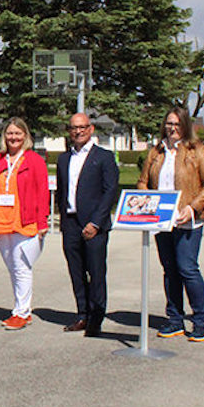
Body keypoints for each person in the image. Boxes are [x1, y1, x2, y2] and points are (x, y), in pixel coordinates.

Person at [137, 107, 204, 342]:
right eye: (169, 124)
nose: (172, 128)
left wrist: (192, 207)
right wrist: (149, 203)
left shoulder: (197, 151)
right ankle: (174, 318)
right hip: (161, 221)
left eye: (177, 124)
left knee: (187, 268)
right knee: (169, 270)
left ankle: (200, 320)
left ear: (185, 126)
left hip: (188, 220)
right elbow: (143, 182)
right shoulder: (156, 151)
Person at [0, 118, 49, 331]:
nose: (13, 137)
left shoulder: (34, 160)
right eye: (10, 133)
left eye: (18, 133)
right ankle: (21, 308)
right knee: (13, 267)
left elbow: (42, 190)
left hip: (24, 220)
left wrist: (42, 221)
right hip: (0, 220)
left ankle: (21, 312)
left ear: (25, 136)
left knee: (22, 267)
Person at [56, 113, 118, 337]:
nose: (78, 131)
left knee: (96, 272)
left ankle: (96, 317)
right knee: (76, 273)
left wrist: (96, 222)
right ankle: (82, 314)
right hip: (71, 223)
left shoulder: (104, 157)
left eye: (82, 127)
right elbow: (62, 191)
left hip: (94, 226)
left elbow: (110, 191)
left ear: (91, 129)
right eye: (74, 128)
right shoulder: (64, 159)